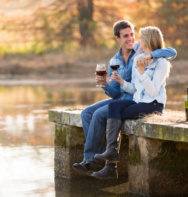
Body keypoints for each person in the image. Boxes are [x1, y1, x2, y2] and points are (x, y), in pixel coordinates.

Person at [72, 20, 177, 176]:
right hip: (122, 98)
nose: (131, 39)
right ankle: (91, 159)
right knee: (86, 113)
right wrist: (104, 85)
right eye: (125, 36)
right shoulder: (114, 61)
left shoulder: (140, 51)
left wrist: (150, 54)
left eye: (132, 35)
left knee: (101, 114)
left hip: (134, 99)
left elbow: (170, 52)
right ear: (117, 38)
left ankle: (104, 160)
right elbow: (115, 93)